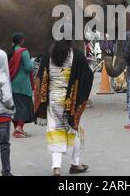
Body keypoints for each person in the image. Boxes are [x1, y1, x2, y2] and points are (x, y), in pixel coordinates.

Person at [34, 37, 94, 176]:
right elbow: (87, 76)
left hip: (53, 101)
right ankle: (75, 164)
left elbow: (41, 77)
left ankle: (56, 168)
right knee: (74, 129)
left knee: (55, 131)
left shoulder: (49, 55)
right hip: (71, 102)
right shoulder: (77, 55)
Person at [8, 33, 35, 139]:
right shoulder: (23, 52)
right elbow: (28, 67)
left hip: (12, 82)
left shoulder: (10, 52)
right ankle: (19, 128)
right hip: (23, 83)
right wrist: (32, 63)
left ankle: (17, 128)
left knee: (15, 107)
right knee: (24, 106)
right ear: (22, 41)